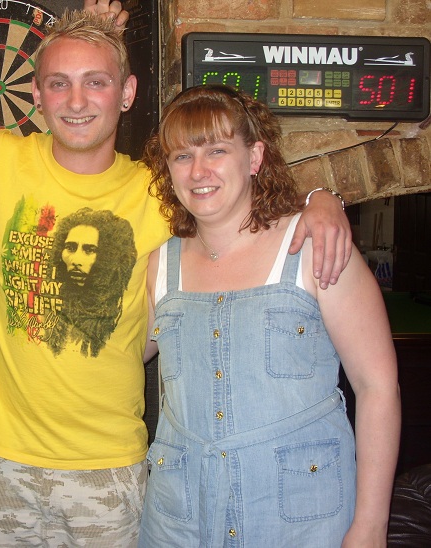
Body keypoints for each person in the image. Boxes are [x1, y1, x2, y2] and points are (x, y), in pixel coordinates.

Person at [0, 3, 352, 545]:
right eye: (59, 83)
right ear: (36, 95)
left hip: (112, 468)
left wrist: (319, 198)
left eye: (95, 83)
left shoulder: (158, 190)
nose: (75, 102)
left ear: (127, 93)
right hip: (1, 462)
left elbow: (242, 191)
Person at [139, 84, 401, 547]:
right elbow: (120, 358)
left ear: (254, 156)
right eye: (181, 156)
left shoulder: (316, 247)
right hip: (181, 518)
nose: (199, 170)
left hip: (302, 519)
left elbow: (377, 387)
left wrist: (370, 525)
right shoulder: (160, 264)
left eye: (217, 150)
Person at [49, 207, 137, 357]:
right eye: (70, 248)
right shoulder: (51, 309)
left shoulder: (117, 307)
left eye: (89, 250)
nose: (76, 260)